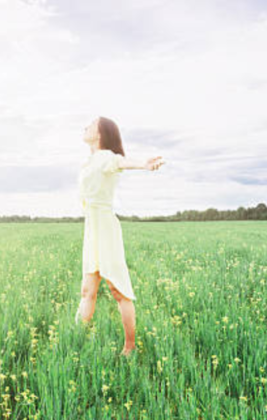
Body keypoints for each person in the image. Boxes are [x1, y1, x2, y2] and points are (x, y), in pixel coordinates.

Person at [74, 116, 165, 357]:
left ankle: (129, 347)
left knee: (118, 290)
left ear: (101, 133)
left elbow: (120, 162)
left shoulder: (105, 157)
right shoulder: (90, 160)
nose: (85, 126)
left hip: (105, 229)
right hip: (92, 229)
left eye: (90, 124)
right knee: (87, 290)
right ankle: (75, 340)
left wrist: (144, 164)